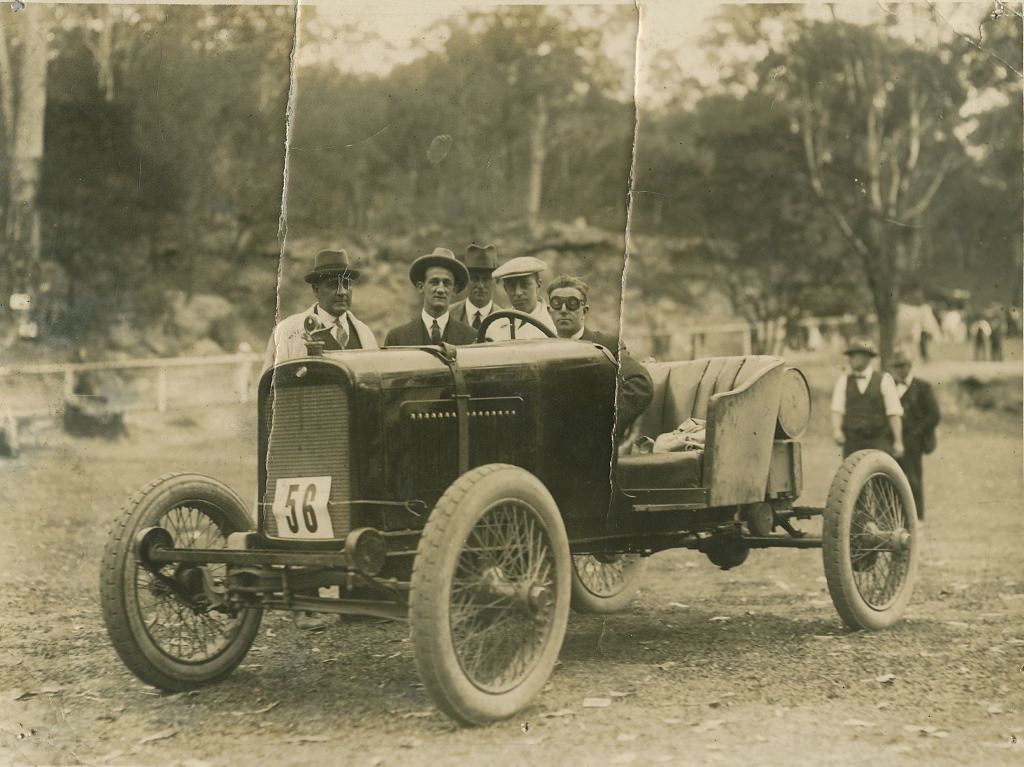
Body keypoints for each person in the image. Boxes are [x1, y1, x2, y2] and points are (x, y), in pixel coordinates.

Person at [546, 274, 652, 443]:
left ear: (584, 310)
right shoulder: (541, 352)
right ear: (549, 310)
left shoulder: (607, 345)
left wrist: (603, 425)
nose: (564, 310)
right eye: (557, 303)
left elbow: (640, 383)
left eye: (572, 303)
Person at [263, 249, 378, 373]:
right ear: (316, 290)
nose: (342, 292)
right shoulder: (286, 331)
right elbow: (270, 384)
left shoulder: (364, 333)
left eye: (346, 285)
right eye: (333, 285)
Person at [385, 248, 477, 346]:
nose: (440, 290)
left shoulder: (471, 338)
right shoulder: (397, 338)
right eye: (434, 282)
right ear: (421, 287)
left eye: (447, 283)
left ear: (454, 290)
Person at [830, 338, 904, 459]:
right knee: (852, 475)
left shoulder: (884, 379)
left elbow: (894, 412)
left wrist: (898, 441)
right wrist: (837, 430)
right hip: (853, 441)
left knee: (879, 474)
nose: (851, 359)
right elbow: (837, 409)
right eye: (850, 356)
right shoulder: (843, 380)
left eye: (855, 355)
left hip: (878, 440)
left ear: (867, 358)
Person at [890, 349, 940, 519]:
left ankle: (917, 517)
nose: (899, 369)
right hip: (893, 439)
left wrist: (917, 432)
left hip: (913, 441)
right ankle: (896, 517)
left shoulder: (923, 387)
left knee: (913, 479)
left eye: (902, 365)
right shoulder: (889, 387)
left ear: (910, 366)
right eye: (896, 366)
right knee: (892, 477)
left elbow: (934, 415)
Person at [486, 256, 556, 340]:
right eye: (512, 286)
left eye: (525, 285)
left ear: (538, 285)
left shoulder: (554, 321)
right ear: (505, 289)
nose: (518, 292)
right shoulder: (496, 325)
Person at [449, 243, 499, 331]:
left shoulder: (504, 319)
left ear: (495, 282)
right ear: (465, 280)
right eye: (475, 279)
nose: (480, 285)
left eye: (486, 279)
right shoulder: (448, 314)